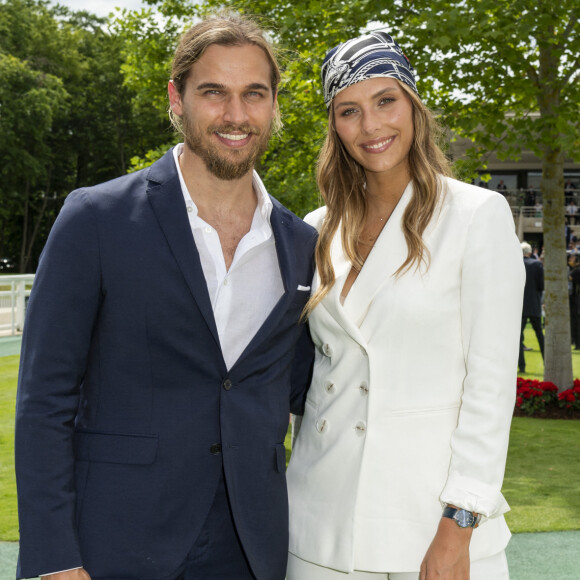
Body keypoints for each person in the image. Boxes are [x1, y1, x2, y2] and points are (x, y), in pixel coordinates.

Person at [14, 13, 317, 580]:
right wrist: (54, 558)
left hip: (252, 546)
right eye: (213, 93)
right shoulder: (96, 217)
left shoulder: (300, 244)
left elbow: (302, 387)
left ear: (275, 104)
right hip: (116, 541)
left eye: (254, 94)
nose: (235, 115)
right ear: (176, 99)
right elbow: (43, 400)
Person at [286, 30, 525, 580]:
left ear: (413, 107)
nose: (371, 127)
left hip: (429, 525)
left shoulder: (476, 215)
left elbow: (489, 387)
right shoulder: (316, 230)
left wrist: (459, 521)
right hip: (317, 523)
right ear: (334, 125)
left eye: (385, 101)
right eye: (349, 110)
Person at [518, 242, 545, 373]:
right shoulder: (537, 264)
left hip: (520, 306)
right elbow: (541, 286)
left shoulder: (515, 264)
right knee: (540, 335)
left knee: (518, 338)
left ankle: (521, 366)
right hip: (534, 304)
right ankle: (547, 363)